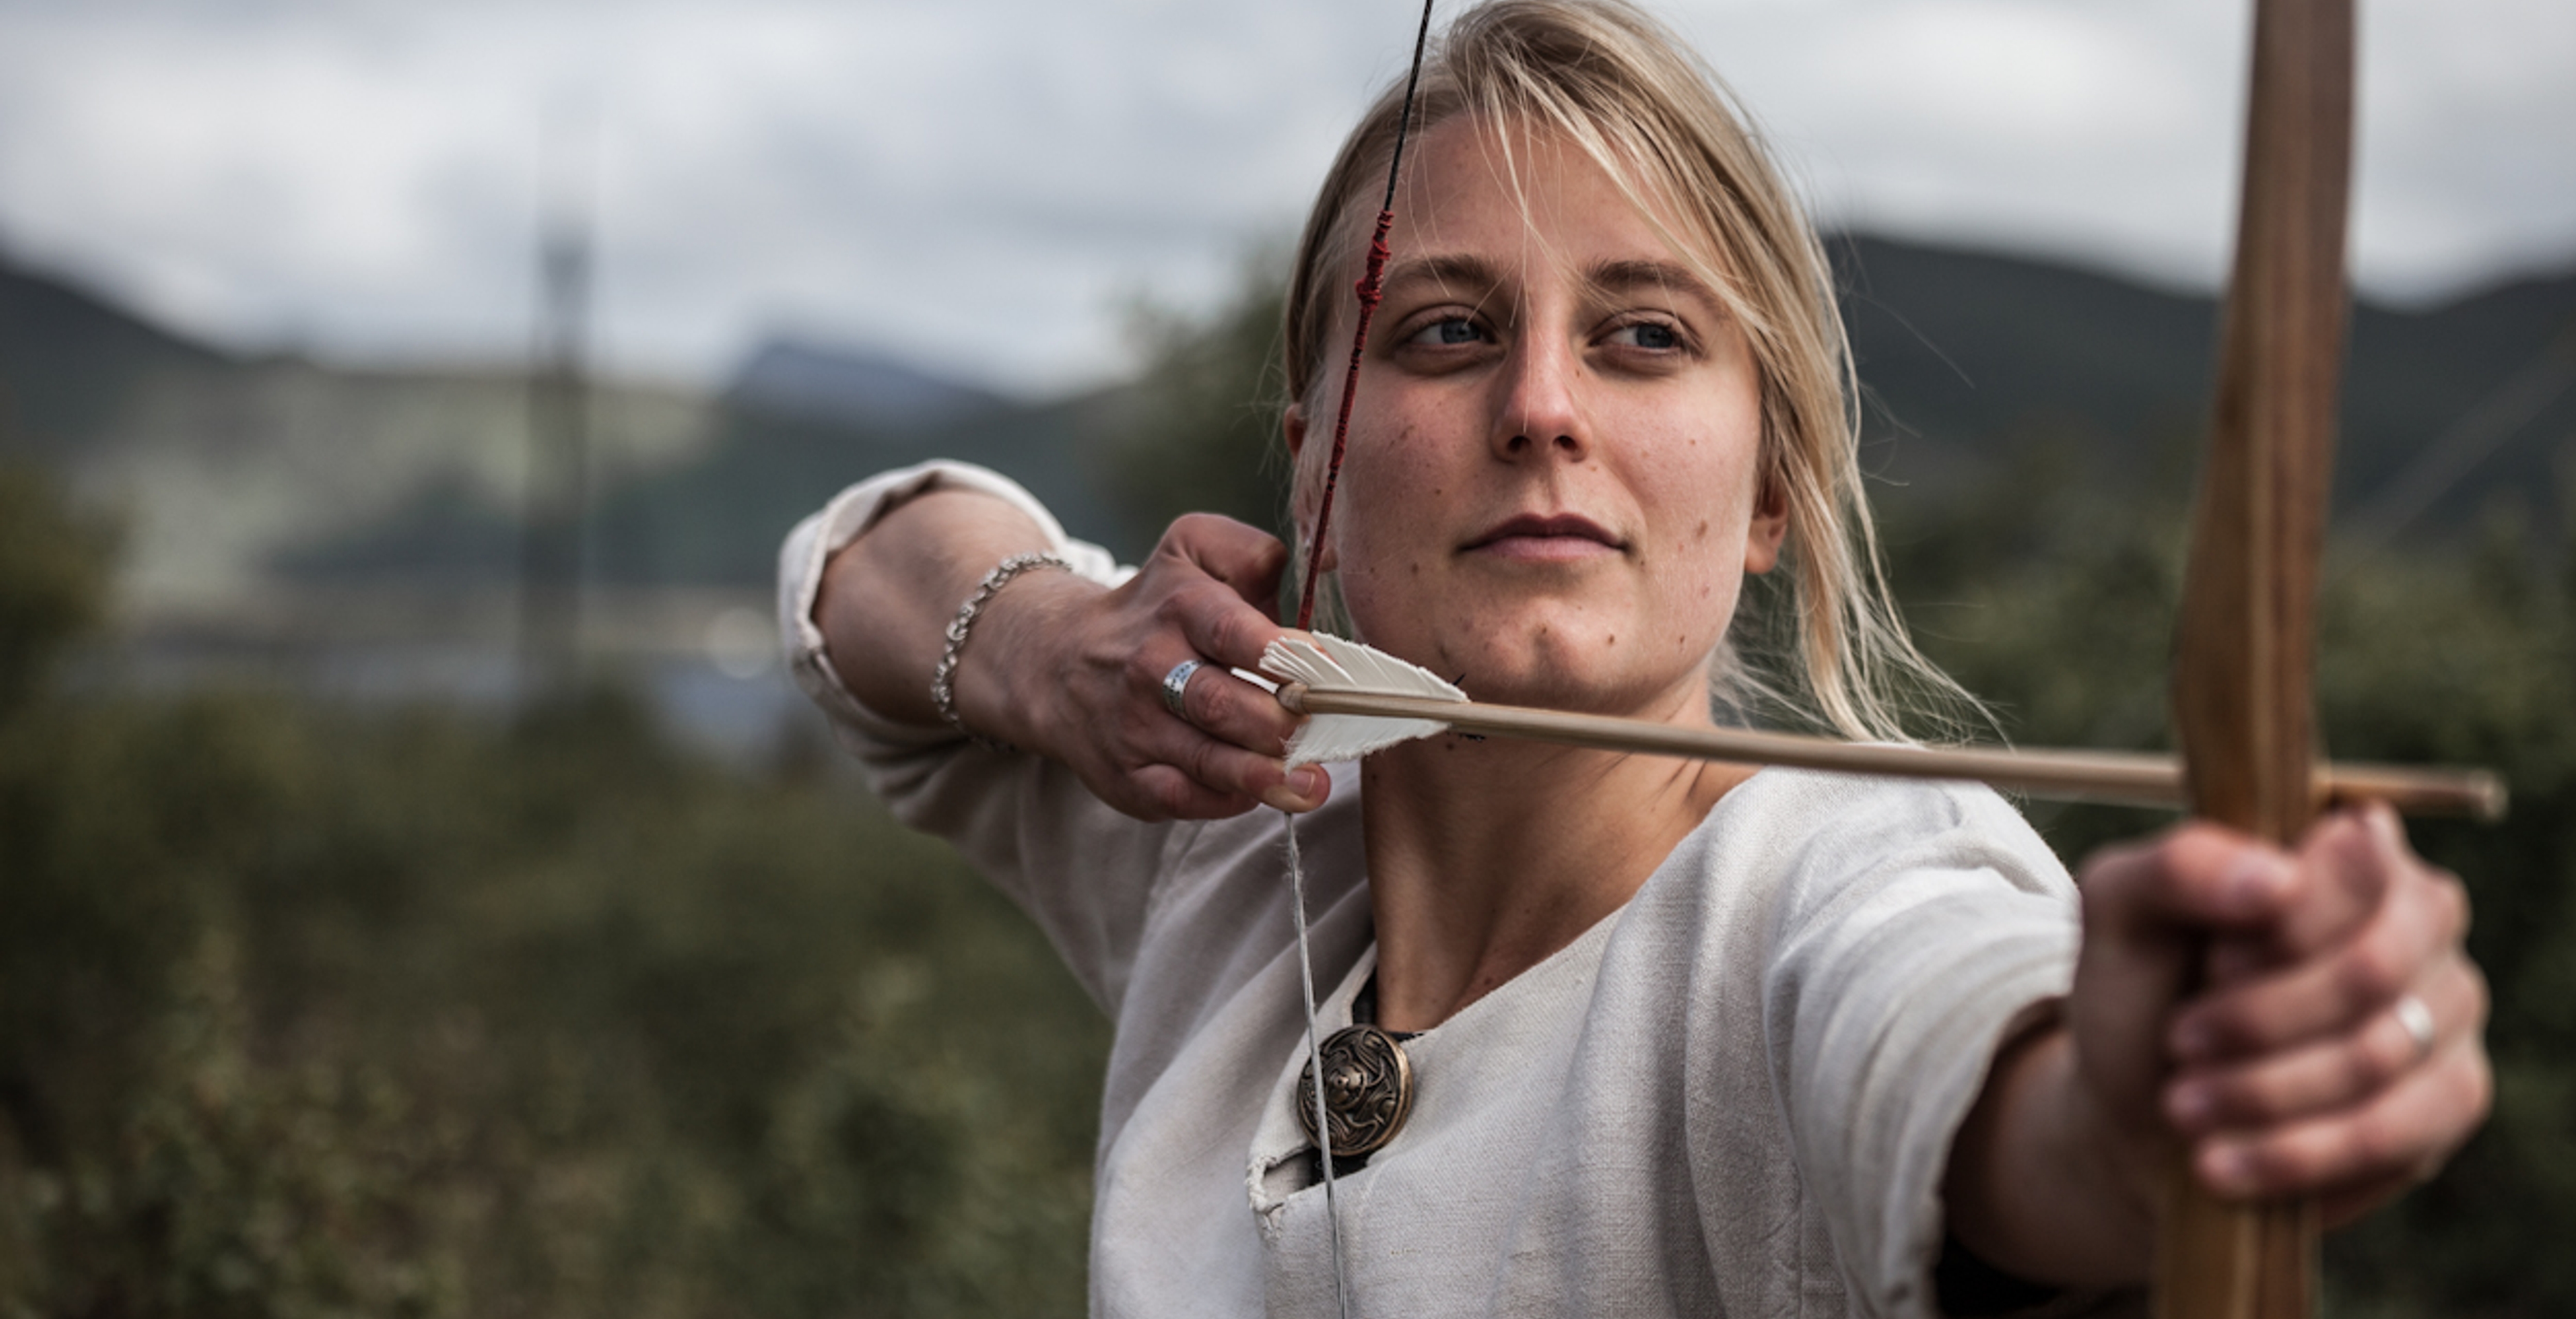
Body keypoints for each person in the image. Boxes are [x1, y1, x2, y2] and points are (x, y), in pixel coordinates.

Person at [780, 2, 2490, 1314]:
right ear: (1314, 472)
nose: (1541, 406)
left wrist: (2144, 1100)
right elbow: (859, 570)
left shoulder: (1837, 887)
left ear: (1772, 495)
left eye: (1645, 337)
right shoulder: (1230, 815)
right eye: (1447, 330)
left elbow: (1971, 1058)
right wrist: (1051, 640)